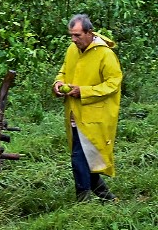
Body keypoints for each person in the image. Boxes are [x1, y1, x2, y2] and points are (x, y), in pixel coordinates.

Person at [52, 14, 122, 203]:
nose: (73, 40)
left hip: (94, 115)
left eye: (77, 35)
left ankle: (83, 200)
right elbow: (64, 70)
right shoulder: (72, 49)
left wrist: (82, 91)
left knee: (78, 157)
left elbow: (113, 84)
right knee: (83, 156)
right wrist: (58, 83)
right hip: (75, 113)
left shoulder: (105, 54)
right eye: (71, 36)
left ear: (89, 32)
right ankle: (107, 197)